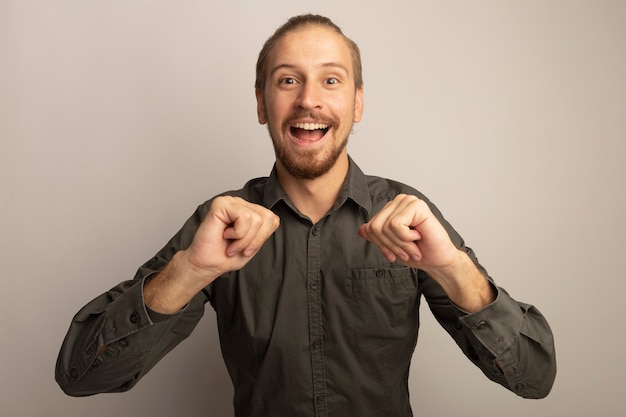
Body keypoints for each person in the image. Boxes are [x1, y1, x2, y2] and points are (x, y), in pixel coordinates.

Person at [56, 14, 556, 417]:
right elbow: (80, 377)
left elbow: (534, 378)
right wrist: (189, 272)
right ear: (262, 104)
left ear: (357, 102)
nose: (308, 99)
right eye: (288, 80)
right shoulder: (219, 224)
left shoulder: (407, 214)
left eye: (331, 80)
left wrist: (452, 268)